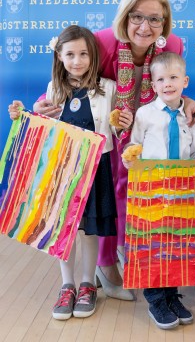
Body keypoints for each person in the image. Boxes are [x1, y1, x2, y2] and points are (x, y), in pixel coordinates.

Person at [32, 0, 195, 300]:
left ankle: (131, 253)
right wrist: (45, 101)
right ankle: (105, 265)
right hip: (105, 128)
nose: (144, 26)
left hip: (147, 128)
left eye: (155, 19)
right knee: (108, 195)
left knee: (138, 194)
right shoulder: (101, 41)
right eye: (137, 17)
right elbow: (73, 77)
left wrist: (188, 99)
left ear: (165, 23)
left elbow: (168, 81)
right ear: (125, 16)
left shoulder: (175, 44)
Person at [9, 25, 133, 320]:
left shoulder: (109, 88)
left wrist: (123, 123)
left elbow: (114, 128)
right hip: (62, 168)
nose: (77, 61)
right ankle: (68, 285)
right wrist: (24, 113)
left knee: (89, 231)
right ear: (59, 56)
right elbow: (41, 127)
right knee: (62, 229)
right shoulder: (54, 90)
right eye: (70, 55)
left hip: (96, 166)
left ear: (93, 57)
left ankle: (88, 283)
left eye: (83, 54)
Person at [121, 52, 195, 330]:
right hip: (152, 194)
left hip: (181, 195)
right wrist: (130, 157)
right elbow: (133, 146)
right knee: (152, 247)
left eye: (173, 78)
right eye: (160, 79)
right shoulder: (144, 114)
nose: (167, 83)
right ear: (153, 85)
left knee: (174, 247)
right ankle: (155, 298)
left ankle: (171, 295)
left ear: (185, 81)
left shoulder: (190, 117)